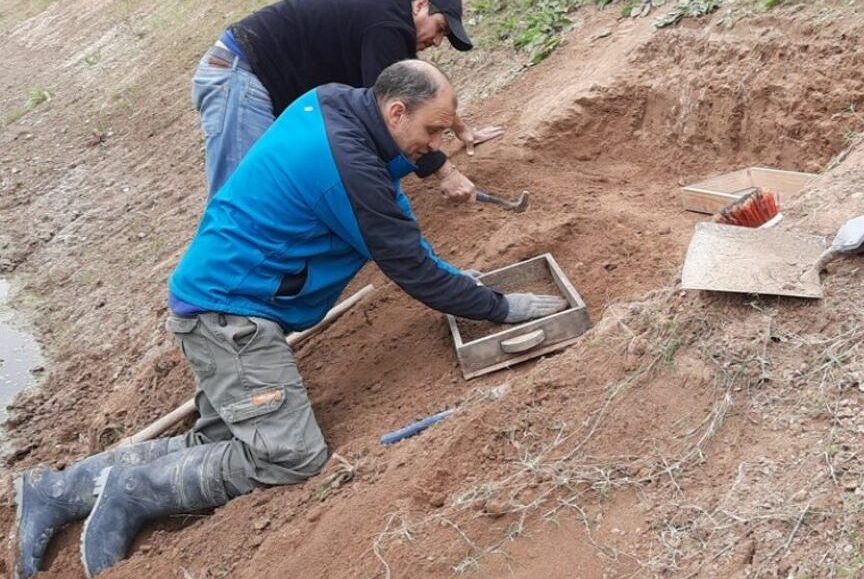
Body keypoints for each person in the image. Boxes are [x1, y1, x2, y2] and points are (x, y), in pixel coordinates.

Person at [12, 60, 565, 579]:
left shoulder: (336, 104)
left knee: (220, 437)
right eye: (435, 129)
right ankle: (135, 489)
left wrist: (435, 156)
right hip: (230, 317)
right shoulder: (349, 171)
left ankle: (55, 491)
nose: (438, 143)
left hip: (215, 295)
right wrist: (498, 305)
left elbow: (395, 169)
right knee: (289, 454)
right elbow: (411, 266)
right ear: (395, 111)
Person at [193, 0, 502, 200]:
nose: (436, 41)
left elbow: (418, 92)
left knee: (279, 186)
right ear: (420, 5)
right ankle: (216, 286)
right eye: (440, 29)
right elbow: (388, 111)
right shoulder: (387, 25)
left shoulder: (387, 19)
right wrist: (445, 172)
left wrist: (461, 129)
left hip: (260, 82)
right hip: (239, 74)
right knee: (239, 196)